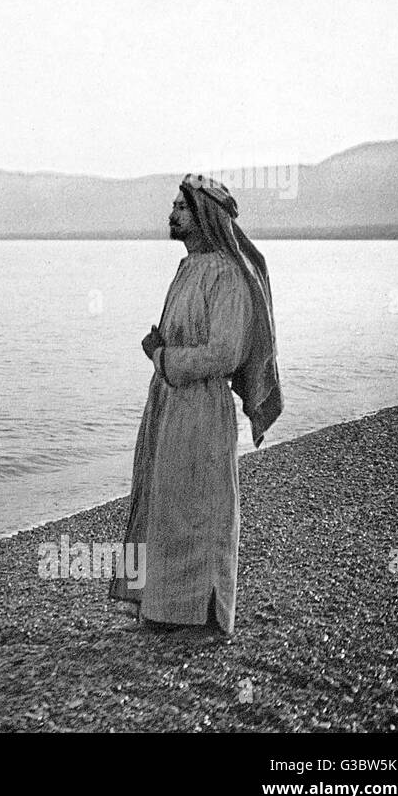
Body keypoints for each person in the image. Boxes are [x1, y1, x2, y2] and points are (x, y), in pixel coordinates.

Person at [108, 173, 282, 634]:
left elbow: (225, 354)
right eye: (173, 206)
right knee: (165, 502)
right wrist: (163, 351)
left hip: (201, 407)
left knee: (198, 507)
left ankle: (200, 613)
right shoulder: (189, 268)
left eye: (181, 208)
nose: (172, 214)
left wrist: (163, 356)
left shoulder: (226, 274)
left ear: (203, 215)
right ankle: (162, 607)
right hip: (169, 402)